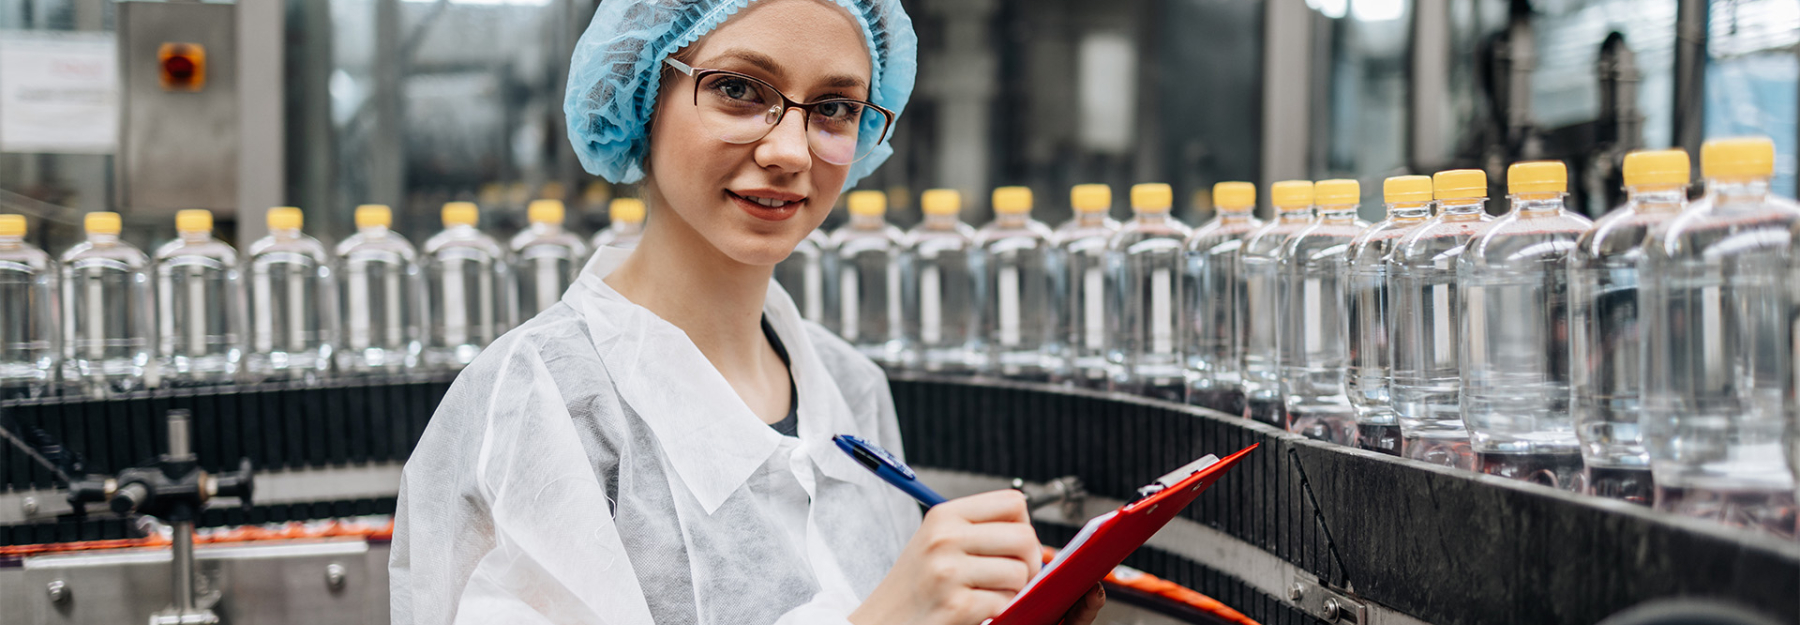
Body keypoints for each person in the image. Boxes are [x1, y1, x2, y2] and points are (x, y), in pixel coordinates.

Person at [389, 1, 1106, 623]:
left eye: (834, 108)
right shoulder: (540, 404)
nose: (791, 151)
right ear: (643, 93)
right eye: (738, 88)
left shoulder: (850, 387)